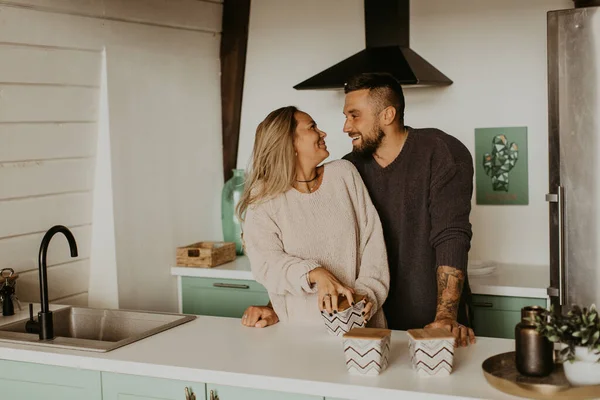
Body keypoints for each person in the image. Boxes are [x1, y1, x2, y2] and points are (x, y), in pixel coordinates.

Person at [242, 73, 476, 348]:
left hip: (426, 320)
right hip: (347, 328)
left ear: (387, 115)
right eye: (345, 116)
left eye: (354, 116)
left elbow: (450, 235)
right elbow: (280, 253)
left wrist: (445, 315)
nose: (343, 127)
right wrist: (277, 304)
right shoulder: (350, 166)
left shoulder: (436, 152)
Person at [238, 106, 390, 328]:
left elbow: (372, 243)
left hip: (364, 326)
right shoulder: (264, 196)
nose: (323, 133)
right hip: (302, 333)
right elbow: (266, 264)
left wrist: (367, 295)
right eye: (312, 127)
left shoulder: (344, 174)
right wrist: (314, 273)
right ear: (289, 142)